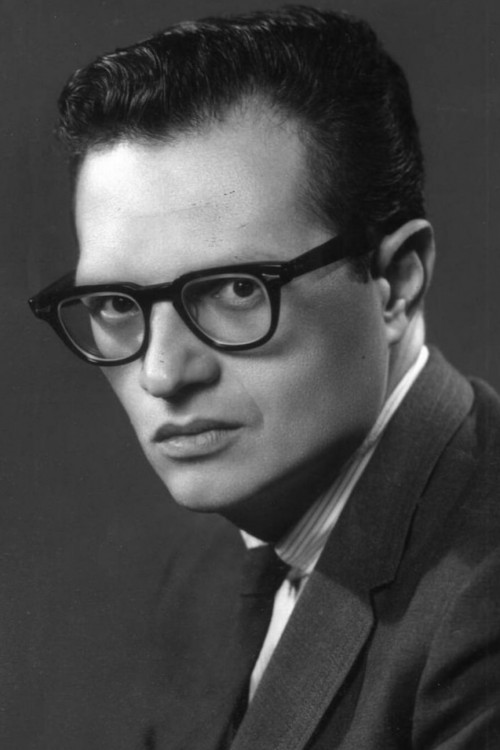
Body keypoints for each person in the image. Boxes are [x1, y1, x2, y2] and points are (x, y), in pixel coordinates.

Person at [28, 6, 500, 749]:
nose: (162, 373)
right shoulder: (204, 579)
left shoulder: (482, 602)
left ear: (396, 284)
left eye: (236, 288)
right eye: (116, 303)